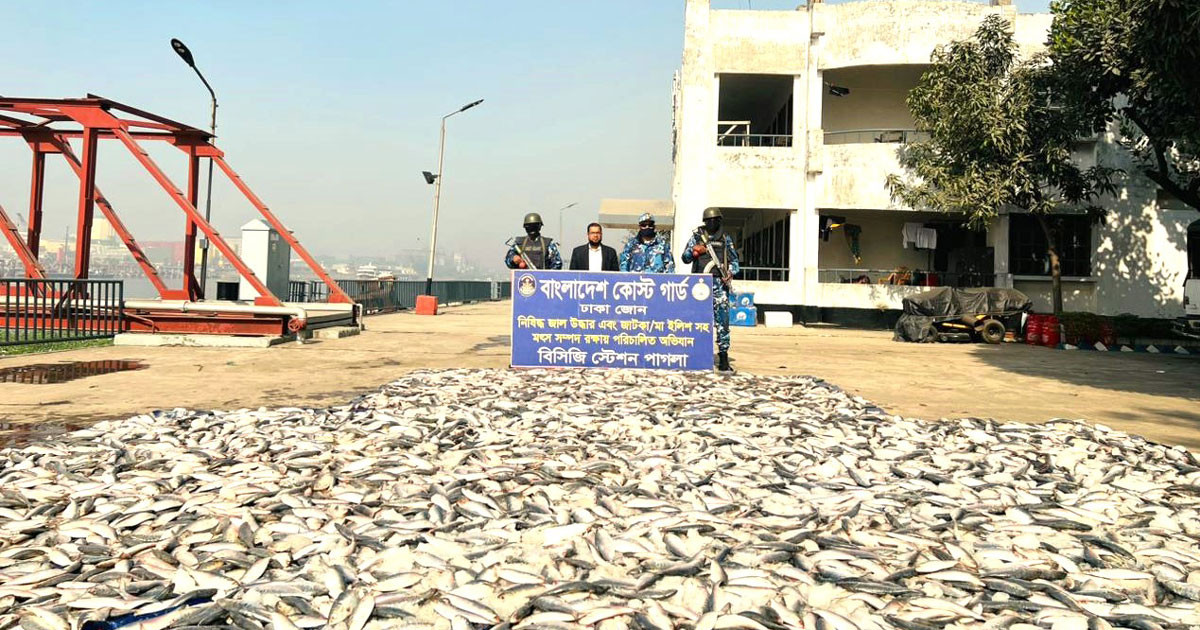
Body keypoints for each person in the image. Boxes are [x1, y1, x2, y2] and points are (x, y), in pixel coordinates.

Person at [682, 207, 741, 374]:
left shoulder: (725, 239)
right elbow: (684, 258)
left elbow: (735, 262)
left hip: (719, 285)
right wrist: (695, 252)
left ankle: (723, 356)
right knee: (698, 320)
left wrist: (730, 273)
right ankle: (696, 354)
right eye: (709, 220)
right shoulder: (696, 237)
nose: (712, 223)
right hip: (699, 286)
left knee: (723, 322)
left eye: (715, 220)